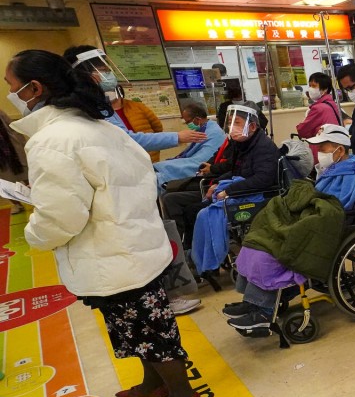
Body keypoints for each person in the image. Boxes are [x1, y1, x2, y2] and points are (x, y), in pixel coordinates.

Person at [4, 49, 195, 397]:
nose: (11, 95)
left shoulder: (53, 141)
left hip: (111, 252)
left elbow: (62, 217)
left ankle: (181, 394)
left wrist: (35, 230)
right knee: (136, 327)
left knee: (148, 330)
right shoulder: (98, 126)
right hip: (131, 243)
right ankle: (153, 381)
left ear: (35, 88)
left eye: (12, 88)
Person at [223, 126, 355, 333]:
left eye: (323, 146)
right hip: (311, 214)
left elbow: (337, 207)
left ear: (340, 149)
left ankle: (264, 311)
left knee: (272, 252)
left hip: (327, 223)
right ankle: (253, 301)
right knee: (258, 240)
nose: (319, 151)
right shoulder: (331, 169)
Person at [161, 102, 279, 250]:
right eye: (230, 123)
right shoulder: (241, 144)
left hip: (254, 195)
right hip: (234, 190)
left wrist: (228, 190)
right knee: (178, 203)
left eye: (237, 123)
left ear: (252, 126)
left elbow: (263, 179)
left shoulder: (263, 147)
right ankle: (188, 249)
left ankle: (200, 257)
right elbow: (237, 170)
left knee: (195, 212)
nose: (232, 127)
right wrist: (217, 183)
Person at [62, 46, 205, 153]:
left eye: (108, 70)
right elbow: (127, 139)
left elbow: (154, 128)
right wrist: (177, 137)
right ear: (85, 75)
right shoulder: (87, 107)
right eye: (103, 71)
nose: (108, 75)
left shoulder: (103, 104)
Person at [154, 103, 226, 192]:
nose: (188, 125)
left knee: (158, 175)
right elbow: (188, 154)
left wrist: (167, 165)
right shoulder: (202, 129)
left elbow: (201, 162)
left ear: (197, 119)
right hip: (193, 160)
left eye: (188, 122)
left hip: (200, 166)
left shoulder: (215, 133)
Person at [295, 71, 342, 141]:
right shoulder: (332, 104)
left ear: (325, 89)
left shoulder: (318, 108)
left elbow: (302, 130)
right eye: (310, 86)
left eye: (314, 86)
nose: (310, 89)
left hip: (321, 145)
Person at [0, 113, 28, 214]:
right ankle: (17, 205)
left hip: (13, 150)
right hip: (2, 160)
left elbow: (13, 127)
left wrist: (23, 144)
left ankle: (40, 199)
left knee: (28, 176)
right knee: (4, 184)